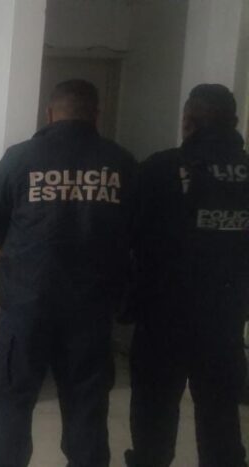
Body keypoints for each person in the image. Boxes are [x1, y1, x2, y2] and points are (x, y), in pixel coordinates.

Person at [0, 79, 139, 467]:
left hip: (27, 300)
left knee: (13, 397)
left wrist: (25, 254)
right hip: (92, 306)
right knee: (87, 401)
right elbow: (136, 230)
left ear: (49, 113)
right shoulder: (121, 162)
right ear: (96, 115)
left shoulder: (20, 158)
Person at [125, 84, 249, 467]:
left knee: (153, 416)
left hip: (162, 315)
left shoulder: (160, 169)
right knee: (220, 417)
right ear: (235, 122)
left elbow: (128, 234)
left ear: (188, 122)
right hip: (225, 319)